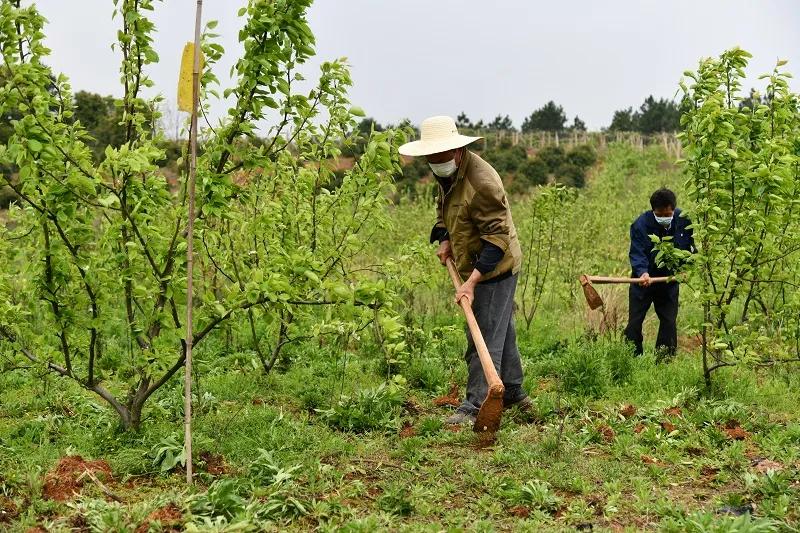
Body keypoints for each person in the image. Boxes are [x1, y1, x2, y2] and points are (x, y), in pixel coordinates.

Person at [398, 116, 531, 425]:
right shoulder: (446, 172)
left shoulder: (482, 183)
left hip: (497, 265)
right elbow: (445, 208)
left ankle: (475, 406)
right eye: (431, 158)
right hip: (472, 257)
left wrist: (471, 283)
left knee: (484, 332)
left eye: (441, 157)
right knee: (500, 328)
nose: (436, 163)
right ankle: (513, 392)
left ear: (457, 151)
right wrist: (444, 237)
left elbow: (496, 240)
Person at [623, 188, 694, 357]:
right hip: (643, 282)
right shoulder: (640, 224)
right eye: (660, 215)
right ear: (653, 211)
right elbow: (637, 252)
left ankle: (664, 360)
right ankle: (631, 357)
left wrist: (685, 269)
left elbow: (689, 248)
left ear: (673, 210)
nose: (664, 218)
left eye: (667, 214)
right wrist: (642, 273)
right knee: (634, 322)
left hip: (668, 281)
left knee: (669, 322)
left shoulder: (683, 221)